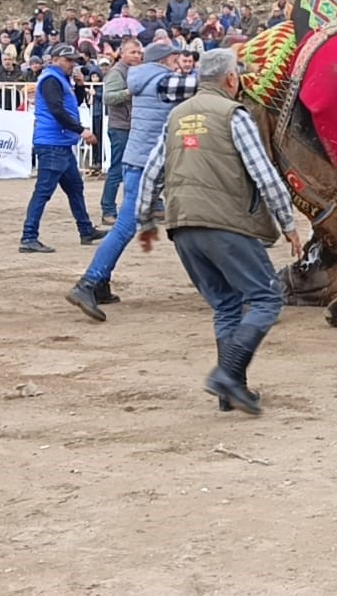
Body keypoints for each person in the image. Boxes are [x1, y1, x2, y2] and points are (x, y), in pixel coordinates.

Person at [135, 49, 301, 414]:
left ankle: (233, 391)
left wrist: (146, 222)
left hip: (183, 226)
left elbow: (151, 172)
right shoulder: (233, 114)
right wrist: (288, 224)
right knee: (267, 298)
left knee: (225, 304)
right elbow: (263, 173)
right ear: (231, 79)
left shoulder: (177, 115)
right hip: (225, 223)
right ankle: (226, 375)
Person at [66, 40, 197, 318]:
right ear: (166, 59)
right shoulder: (162, 82)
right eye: (175, 58)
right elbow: (201, 85)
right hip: (145, 163)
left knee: (126, 225)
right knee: (125, 227)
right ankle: (88, 282)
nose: (178, 62)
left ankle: (100, 284)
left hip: (139, 160)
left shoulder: (143, 78)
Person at [18, 44, 104, 253]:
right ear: (55, 59)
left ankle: (85, 230)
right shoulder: (50, 80)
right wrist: (80, 130)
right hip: (53, 144)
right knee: (44, 191)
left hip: (60, 144)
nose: (72, 64)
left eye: (74, 61)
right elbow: (57, 110)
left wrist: (80, 86)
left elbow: (73, 104)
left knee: (75, 188)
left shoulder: (59, 79)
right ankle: (28, 236)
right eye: (69, 60)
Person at [99, 37, 142, 224]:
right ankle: (108, 209)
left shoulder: (135, 71)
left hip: (131, 126)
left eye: (139, 52)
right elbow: (107, 98)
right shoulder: (117, 72)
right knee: (117, 169)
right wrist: (128, 92)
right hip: (120, 127)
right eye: (133, 52)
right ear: (122, 53)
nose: (137, 55)